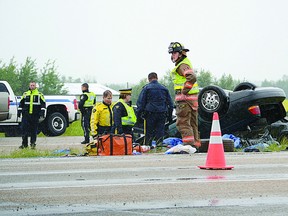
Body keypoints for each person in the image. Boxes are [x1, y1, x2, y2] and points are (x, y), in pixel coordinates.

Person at [168, 42, 201, 148]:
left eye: (174, 53)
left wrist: (184, 91)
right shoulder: (185, 63)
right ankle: (195, 144)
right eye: (171, 53)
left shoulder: (181, 65)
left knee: (182, 122)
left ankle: (188, 144)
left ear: (180, 53)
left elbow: (191, 77)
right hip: (192, 99)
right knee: (192, 123)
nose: (172, 56)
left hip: (185, 100)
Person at [136, 72, 174, 145]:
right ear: (157, 78)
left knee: (149, 133)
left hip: (150, 114)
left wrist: (139, 117)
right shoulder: (164, 88)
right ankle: (159, 148)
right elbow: (171, 105)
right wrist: (169, 117)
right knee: (160, 133)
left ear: (149, 79)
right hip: (162, 114)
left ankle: (148, 147)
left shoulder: (146, 88)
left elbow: (141, 103)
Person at [18, 81, 46, 149]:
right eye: (31, 85)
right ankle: (24, 145)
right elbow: (21, 104)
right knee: (24, 130)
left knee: (34, 131)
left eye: (33, 85)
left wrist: (42, 113)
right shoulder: (25, 94)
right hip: (26, 116)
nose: (32, 86)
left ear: (35, 86)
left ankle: (33, 144)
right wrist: (19, 112)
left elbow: (43, 104)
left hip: (35, 115)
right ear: (29, 86)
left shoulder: (39, 95)